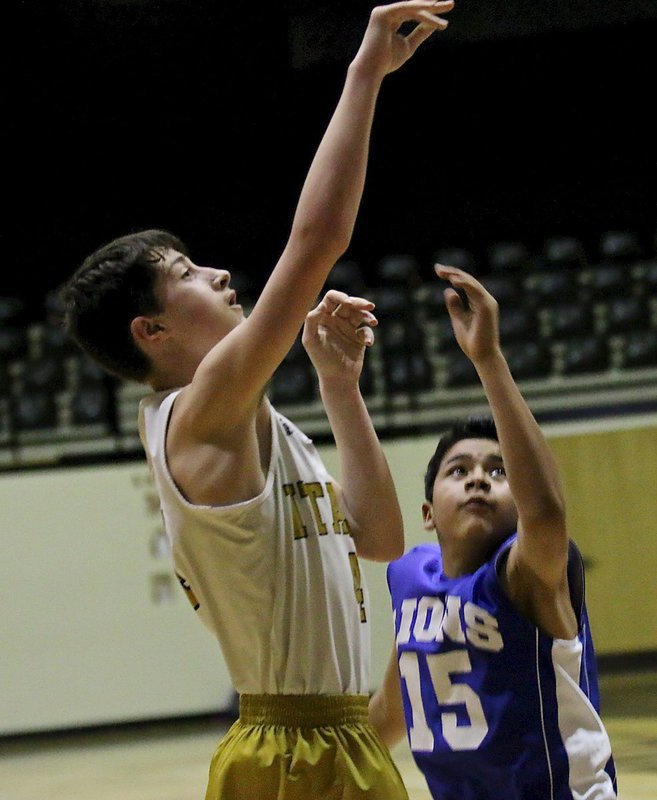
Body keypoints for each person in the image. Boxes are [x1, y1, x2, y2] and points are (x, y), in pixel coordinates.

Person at [62, 3, 455, 798]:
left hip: (342, 734)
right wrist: (362, 76)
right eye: (185, 273)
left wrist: (340, 386)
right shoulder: (195, 414)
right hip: (288, 750)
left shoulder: (258, 427)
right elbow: (316, 242)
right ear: (152, 330)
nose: (215, 274)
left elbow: (379, 537)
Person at [369, 264, 617, 799]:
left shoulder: (525, 573)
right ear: (429, 512)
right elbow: (390, 714)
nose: (480, 477)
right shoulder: (411, 578)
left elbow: (546, 513)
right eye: (459, 471)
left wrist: (488, 361)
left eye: (498, 472)